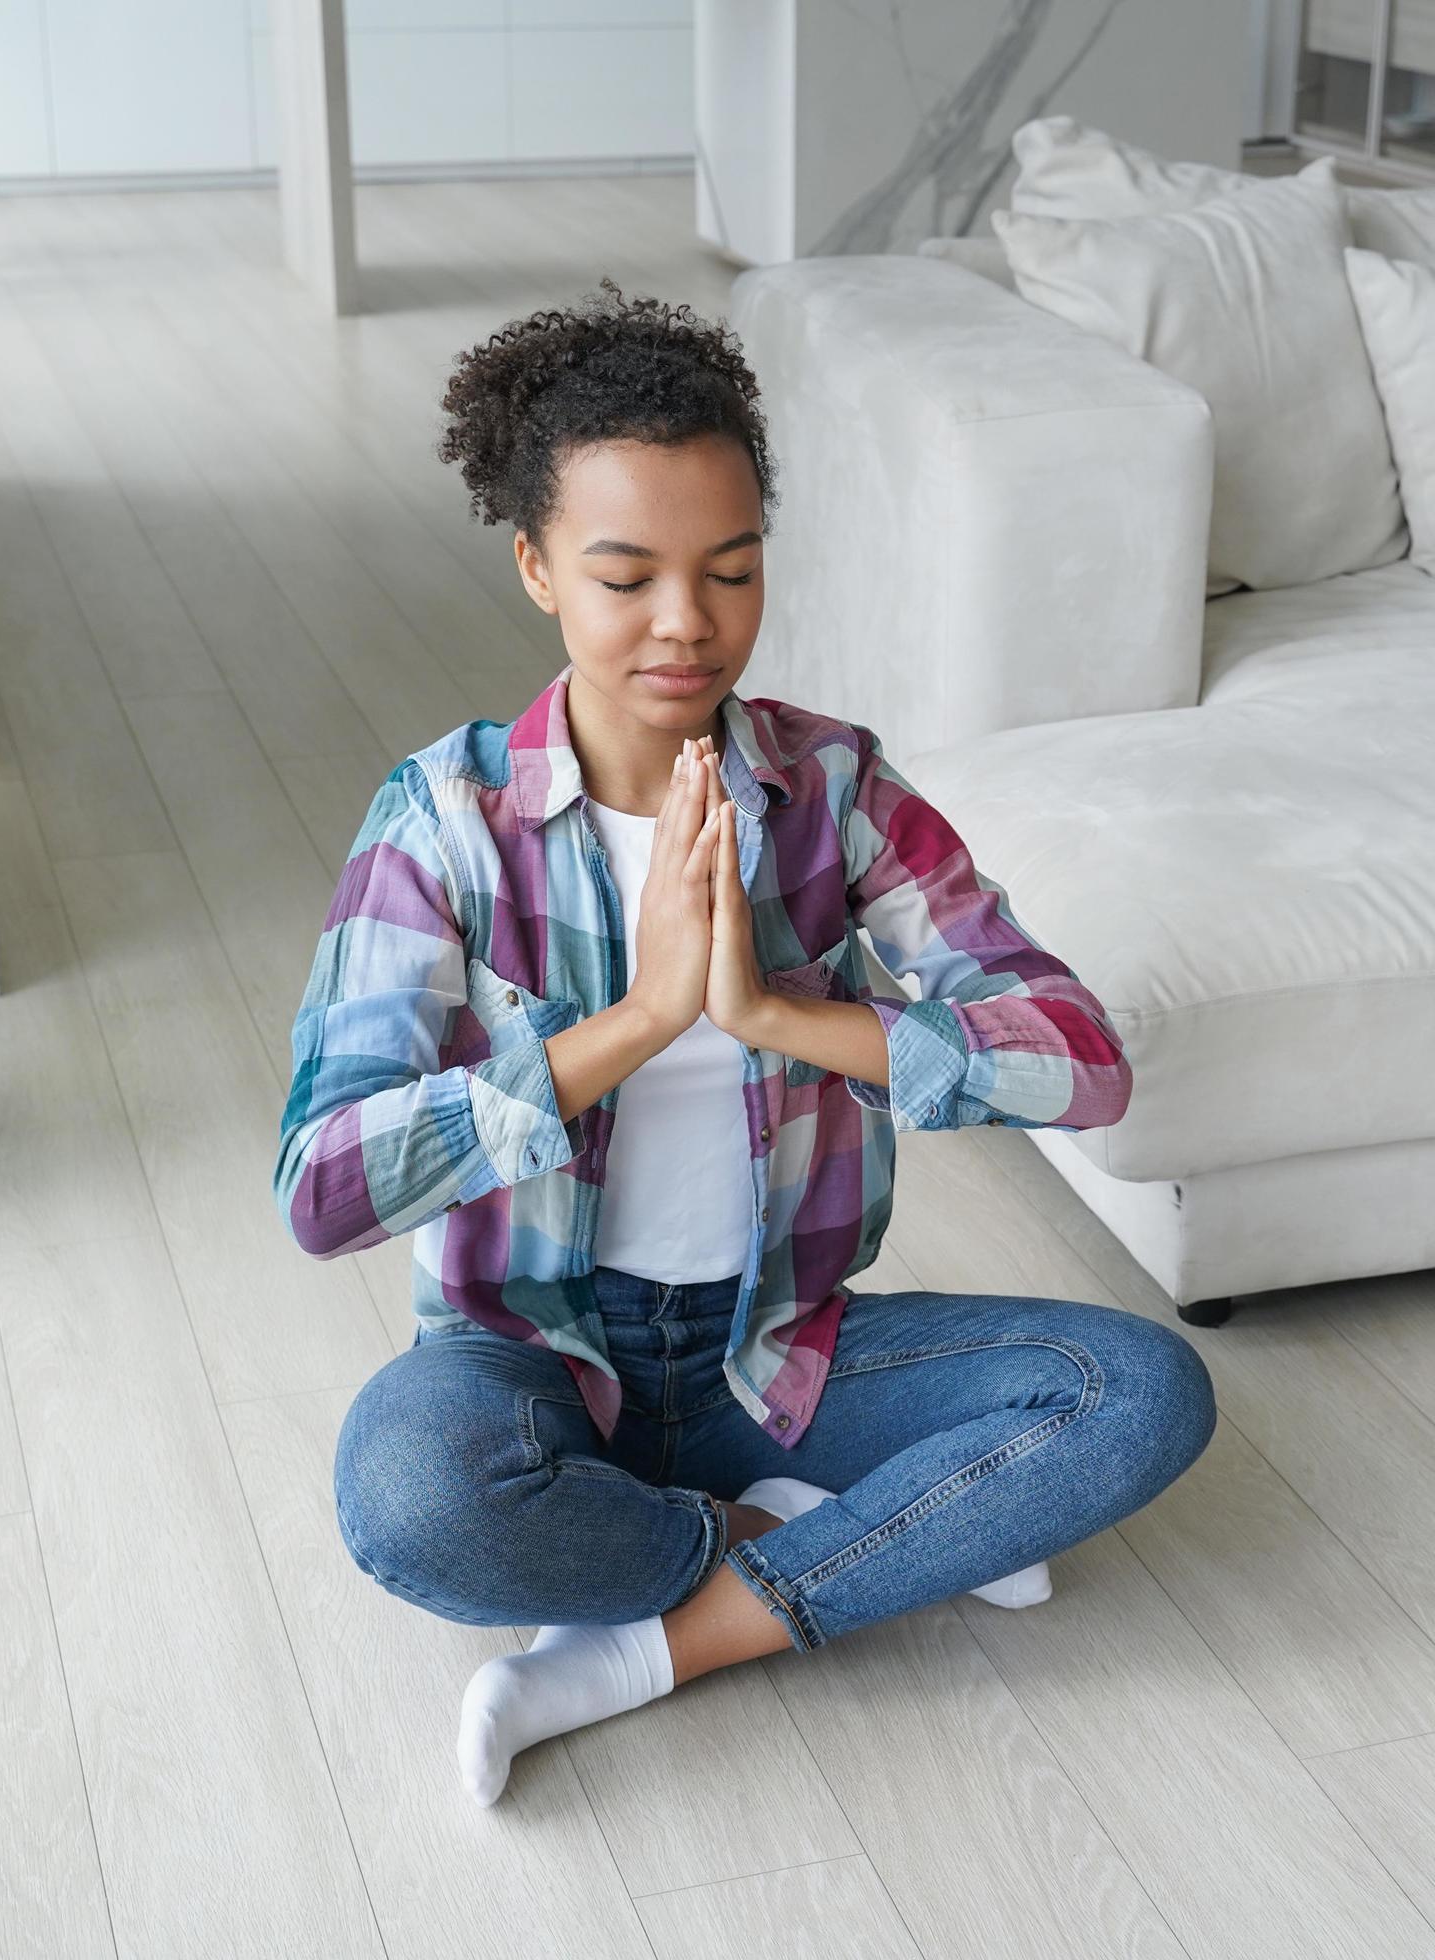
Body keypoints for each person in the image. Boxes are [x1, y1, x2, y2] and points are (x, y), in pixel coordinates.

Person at [274, 279, 1217, 1808]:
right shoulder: (445, 822)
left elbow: (1078, 1060)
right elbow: (323, 1186)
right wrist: (638, 1023)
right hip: (535, 1361)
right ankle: (823, 1542)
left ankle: (651, 1642)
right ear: (533, 567)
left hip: (774, 1352)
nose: (687, 624)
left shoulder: (834, 792)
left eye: (730, 568)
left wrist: (774, 1012)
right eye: (625, 573)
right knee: (409, 1501)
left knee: (1140, 1394)